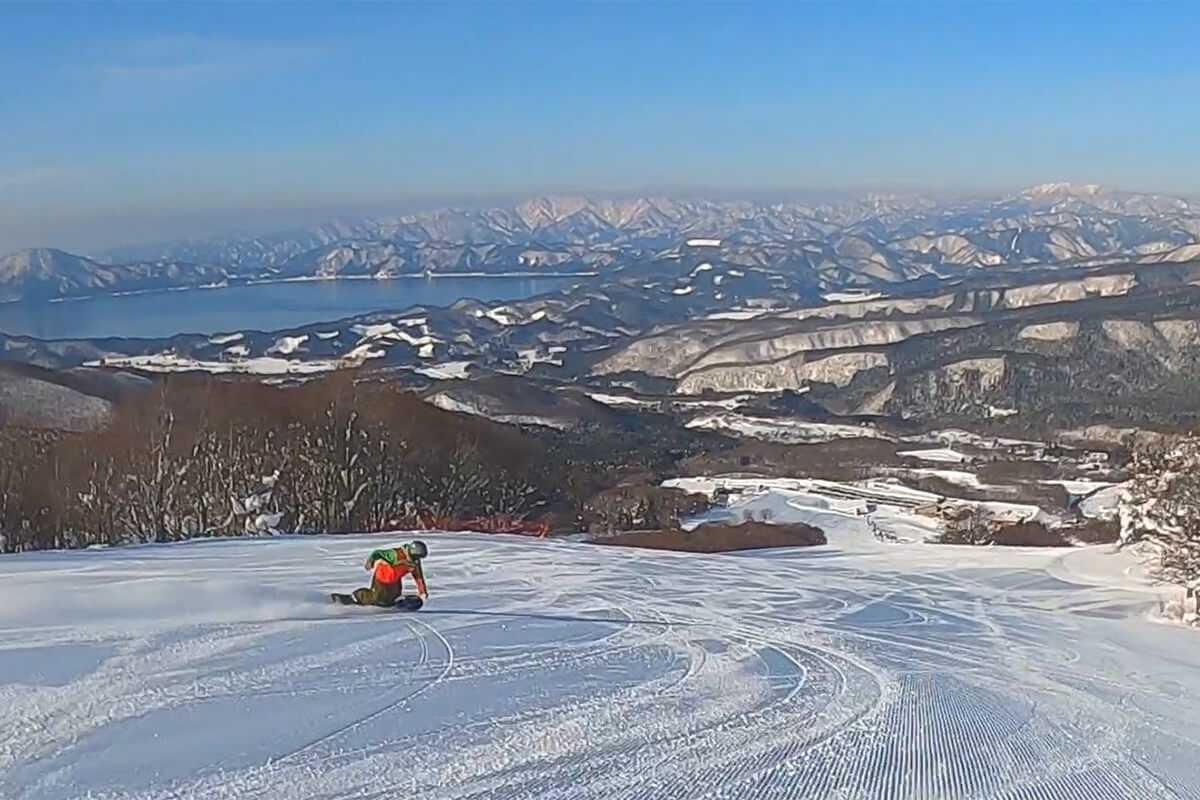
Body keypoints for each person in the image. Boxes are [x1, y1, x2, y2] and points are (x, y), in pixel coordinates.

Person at [333, 540, 428, 606]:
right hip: (382, 577)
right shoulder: (395, 554)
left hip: (395, 581)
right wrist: (370, 561)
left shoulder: (415, 562)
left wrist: (422, 591)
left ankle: (397, 603)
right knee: (375, 598)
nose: (418, 559)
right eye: (417, 556)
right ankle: (356, 596)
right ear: (412, 553)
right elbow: (377, 553)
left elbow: (418, 576)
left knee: (391, 600)